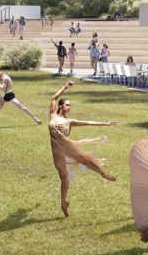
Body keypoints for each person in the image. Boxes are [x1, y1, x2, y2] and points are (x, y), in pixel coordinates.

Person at [46, 81, 118, 217]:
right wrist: (65, 87)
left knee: (85, 160)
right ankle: (63, 202)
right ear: (61, 106)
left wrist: (106, 123)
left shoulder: (70, 121)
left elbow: (88, 123)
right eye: (67, 104)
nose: (69, 107)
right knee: (64, 178)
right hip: (56, 152)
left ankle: (103, 174)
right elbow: (53, 98)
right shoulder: (53, 116)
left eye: (70, 105)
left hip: (67, 147)